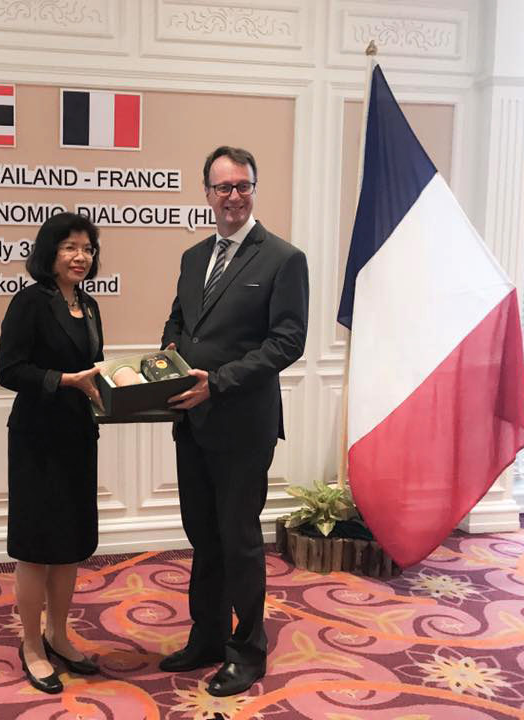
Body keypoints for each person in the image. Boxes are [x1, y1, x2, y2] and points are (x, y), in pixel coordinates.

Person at [159, 146, 309, 696]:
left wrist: (217, 382)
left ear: (253, 190)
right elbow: (179, 321)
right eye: (223, 187)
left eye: (242, 185)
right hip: (191, 421)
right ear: (207, 193)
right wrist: (166, 361)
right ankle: (207, 637)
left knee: (239, 539)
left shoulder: (283, 258)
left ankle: (248, 651)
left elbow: (288, 341)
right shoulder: (194, 256)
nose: (233, 196)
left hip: (243, 426)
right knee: (202, 535)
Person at [0, 212, 106, 694]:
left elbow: (93, 370)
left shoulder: (90, 305)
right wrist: (63, 380)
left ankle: (58, 635)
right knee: (36, 546)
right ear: (50, 253)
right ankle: (32, 645)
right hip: (37, 437)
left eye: (87, 249)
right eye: (70, 248)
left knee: (69, 543)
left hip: (78, 435)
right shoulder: (29, 302)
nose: (81, 257)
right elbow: (9, 370)